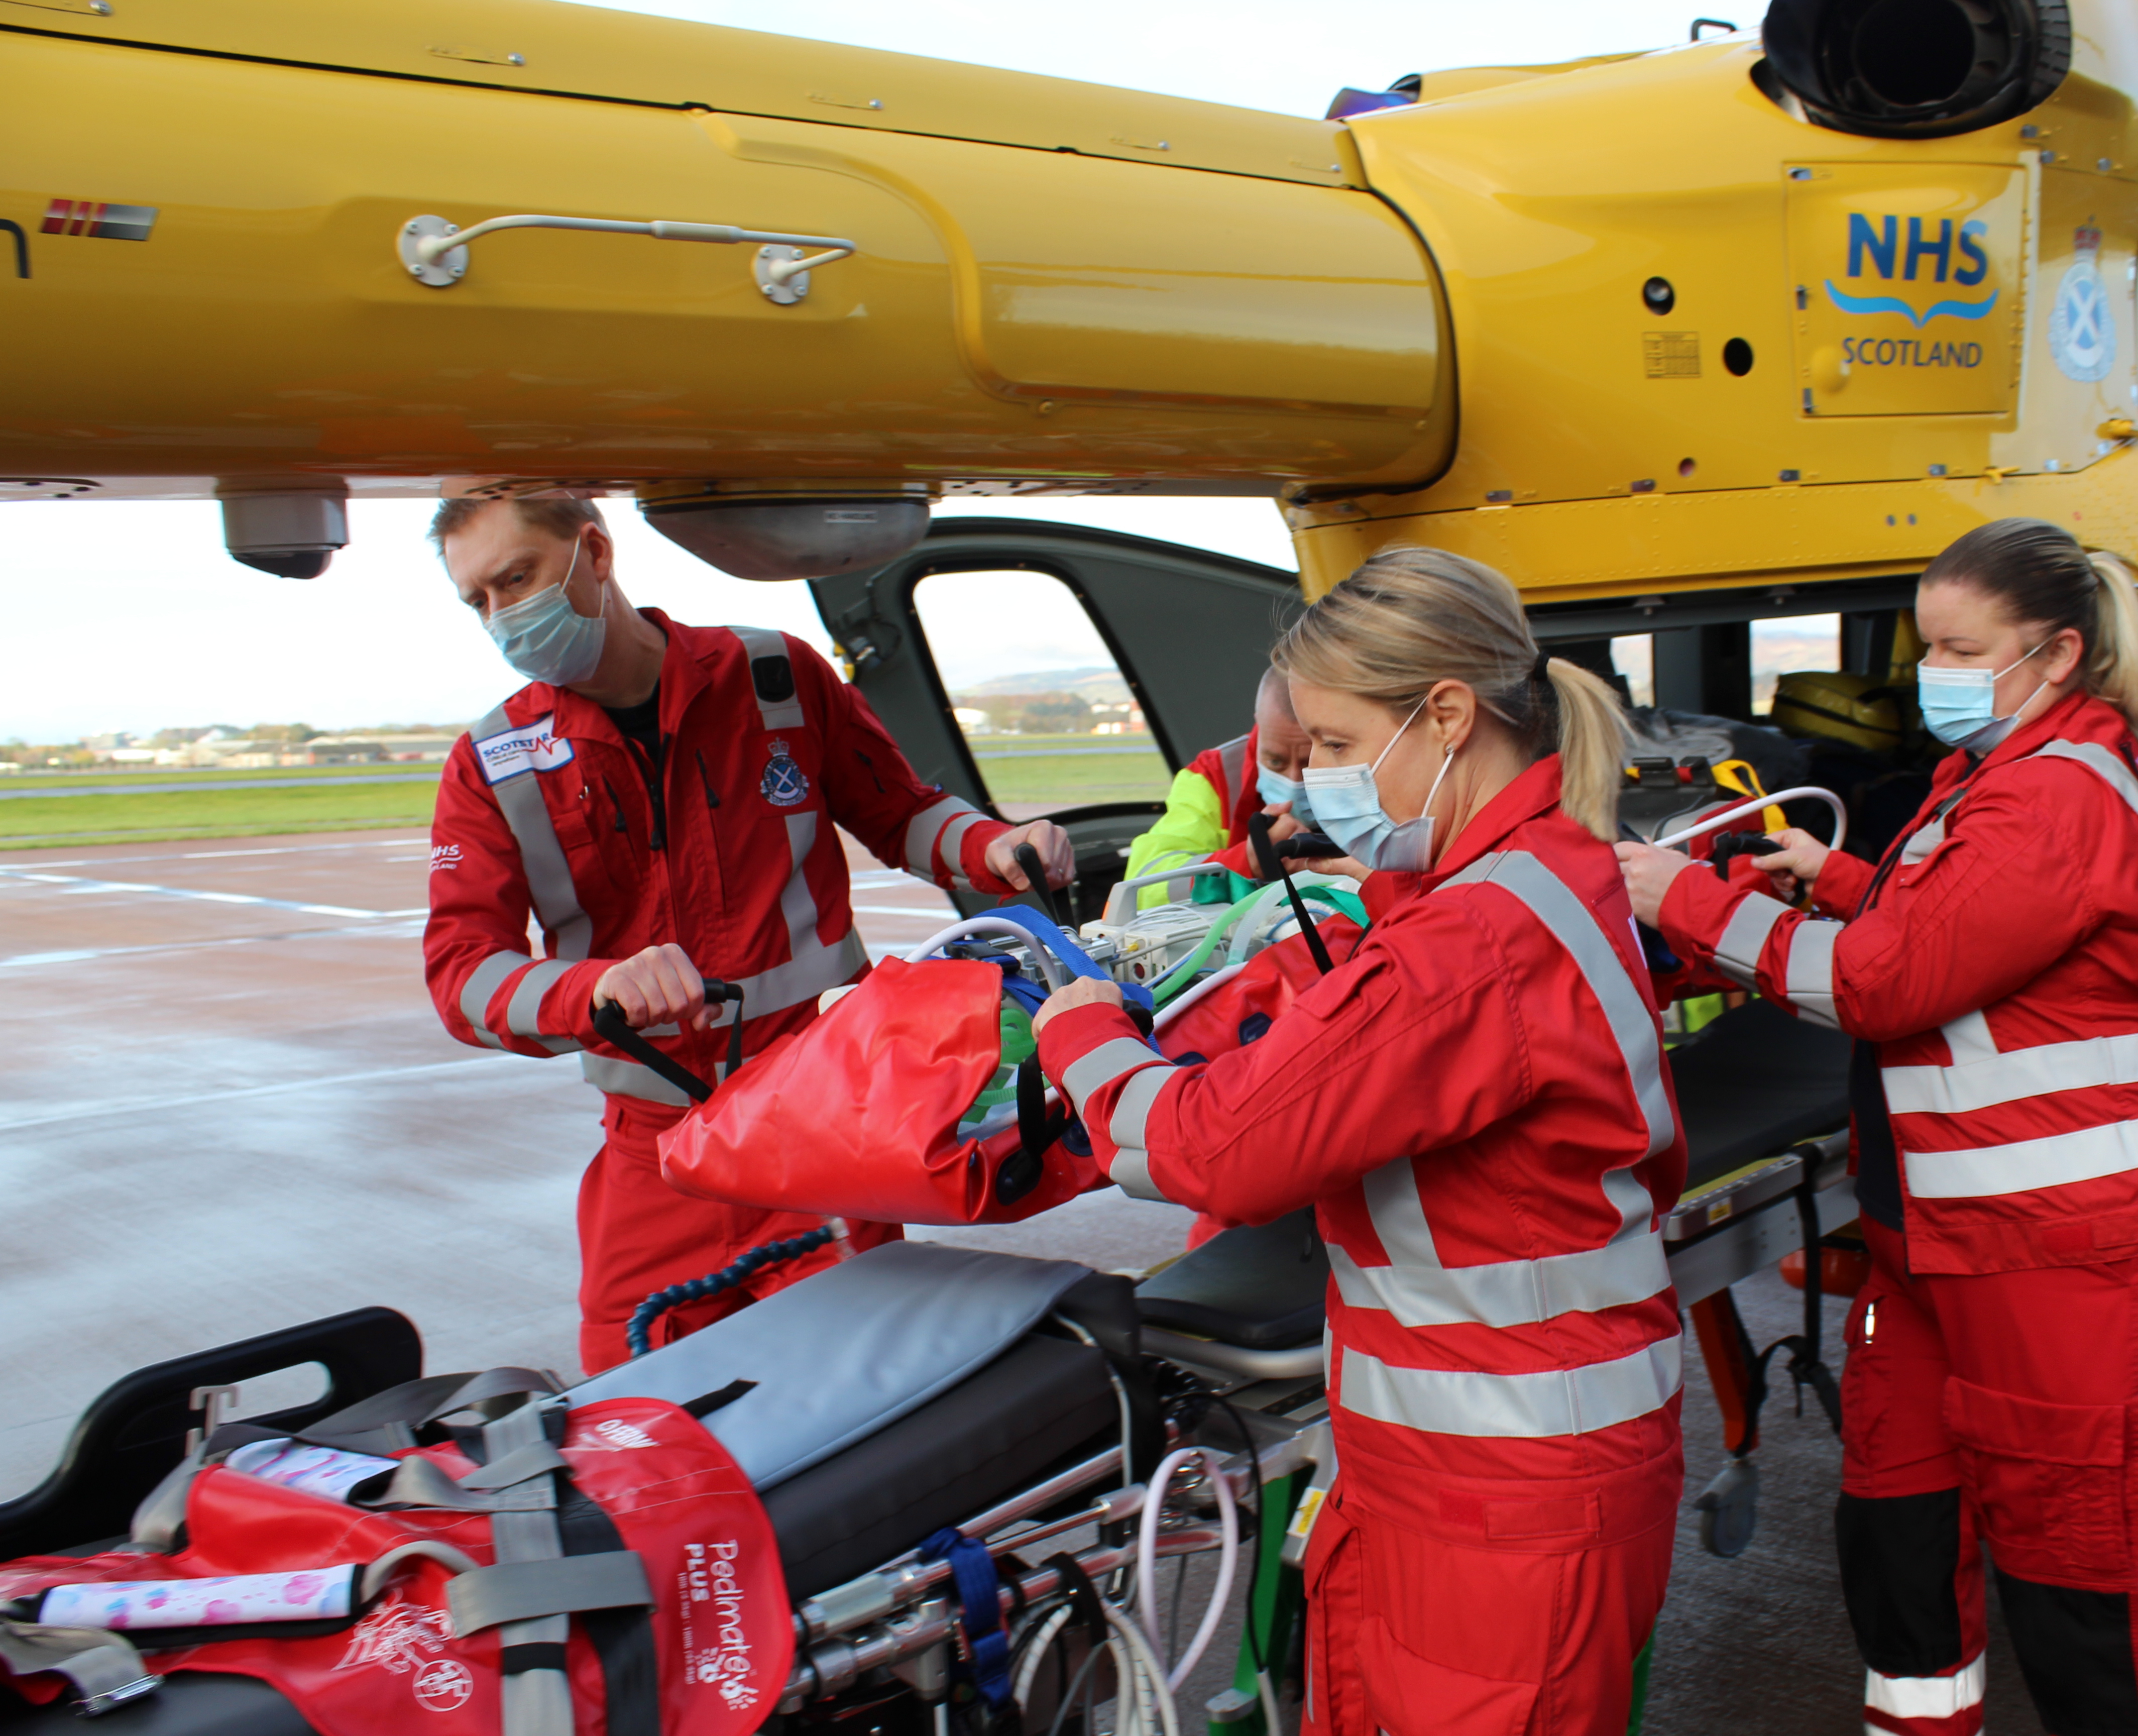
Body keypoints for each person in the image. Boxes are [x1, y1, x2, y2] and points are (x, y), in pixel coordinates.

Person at [1031, 548, 1685, 1735]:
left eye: (1331, 746)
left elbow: (1208, 1149)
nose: (1305, 787)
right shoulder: (1537, 876)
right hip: (1474, 1467)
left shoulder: (1470, 943)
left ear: (1443, 715)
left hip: (1500, 1492)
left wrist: (1077, 1027)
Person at [1618, 518, 2138, 1736]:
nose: (1933, 672)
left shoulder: (2057, 794)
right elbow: (1962, 921)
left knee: (2071, 1573)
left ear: (2055, 653)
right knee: (1895, 1520)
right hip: (1929, 1243)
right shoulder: (2007, 767)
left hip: (2074, 1255)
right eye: (1928, 646)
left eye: (1961, 649)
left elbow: (1889, 984)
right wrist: (1835, 878)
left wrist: (1683, 898)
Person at [421, 495, 1073, 1373]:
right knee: (632, 1410)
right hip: (652, 1148)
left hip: (814, 1120)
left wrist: (995, 847)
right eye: (478, 601)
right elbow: (462, 975)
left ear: (595, 552)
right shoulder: (491, 759)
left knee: (854, 1396)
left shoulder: (776, 676)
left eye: (516, 579)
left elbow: (903, 814)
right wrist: (594, 989)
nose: (504, 616)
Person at [1120, 669, 1315, 903]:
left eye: (1310, 763)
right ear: (1259, 722)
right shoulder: (1216, 775)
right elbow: (1144, 881)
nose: (1293, 781)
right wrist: (1248, 862)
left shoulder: (1370, 768)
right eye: (1275, 761)